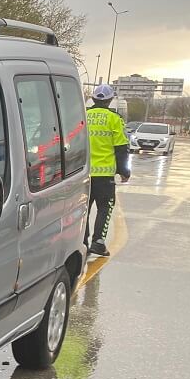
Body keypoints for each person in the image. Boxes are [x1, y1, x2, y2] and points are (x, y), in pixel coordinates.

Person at [85, 83, 130, 256]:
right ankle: (98, 242)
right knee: (105, 207)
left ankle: (82, 240)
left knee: (83, 209)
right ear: (110, 100)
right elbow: (121, 147)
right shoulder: (114, 119)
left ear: (93, 99)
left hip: (84, 173)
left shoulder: (84, 116)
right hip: (104, 175)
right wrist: (124, 172)